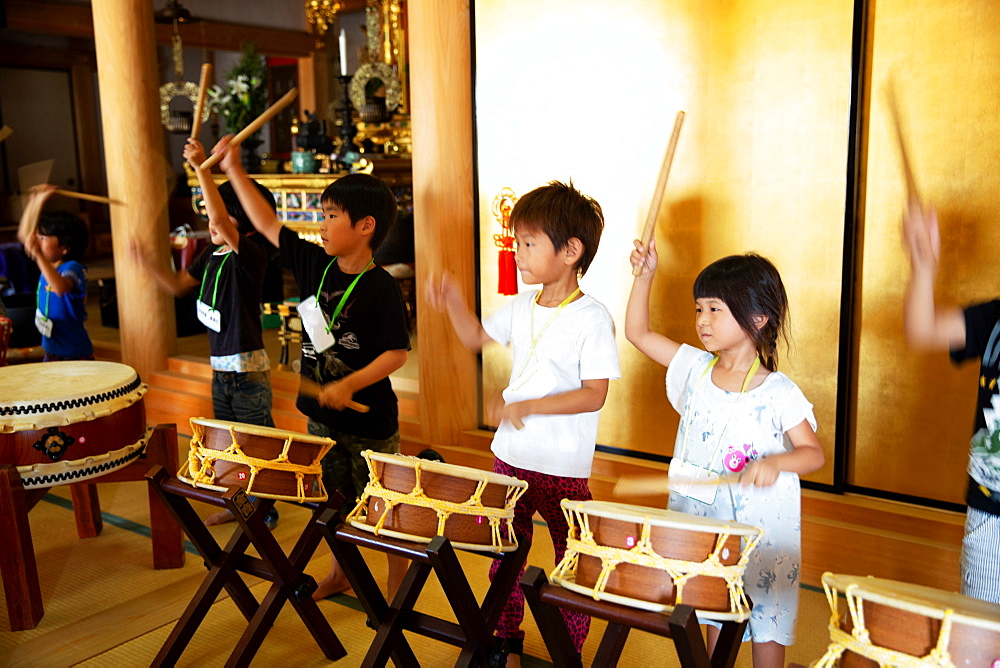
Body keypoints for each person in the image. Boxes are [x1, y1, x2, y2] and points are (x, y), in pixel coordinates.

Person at [427, 181, 621, 666]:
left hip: (563, 467)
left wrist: (527, 407)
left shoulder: (593, 318)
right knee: (504, 556)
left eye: (529, 243)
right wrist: (451, 299)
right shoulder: (520, 306)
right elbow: (474, 336)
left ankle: (567, 651)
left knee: (575, 560)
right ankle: (506, 643)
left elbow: (595, 395)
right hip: (509, 458)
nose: (518, 252)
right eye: (517, 241)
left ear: (571, 251)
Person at [216, 135, 411, 601]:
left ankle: (397, 590)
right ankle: (343, 572)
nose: (319, 225)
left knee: (385, 511)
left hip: (370, 424)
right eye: (320, 215)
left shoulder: (380, 287)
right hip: (320, 418)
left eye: (329, 217)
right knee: (330, 507)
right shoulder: (313, 264)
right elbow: (265, 222)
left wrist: (351, 384)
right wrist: (234, 167)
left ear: (365, 226)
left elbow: (396, 353)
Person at [625, 241, 824, 667]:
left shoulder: (779, 392)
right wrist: (644, 276)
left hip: (762, 532)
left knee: (766, 618)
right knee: (711, 612)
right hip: (705, 525)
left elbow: (812, 454)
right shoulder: (695, 368)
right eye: (700, 309)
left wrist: (775, 463)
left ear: (757, 318)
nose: (702, 320)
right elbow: (637, 334)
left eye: (716, 309)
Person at [131, 138, 278, 528]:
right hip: (220, 369)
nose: (212, 222)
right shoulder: (209, 255)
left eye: (224, 217)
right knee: (229, 444)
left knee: (254, 444)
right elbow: (179, 285)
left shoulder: (251, 253)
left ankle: (265, 509)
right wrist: (147, 262)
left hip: (246, 372)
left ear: (245, 224)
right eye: (212, 216)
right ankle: (242, 505)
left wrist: (202, 169)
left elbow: (223, 220)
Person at [902, 197, 1000, 605]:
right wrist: (923, 266)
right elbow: (922, 329)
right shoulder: (995, 318)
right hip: (990, 513)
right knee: (979, 636)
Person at [17, 185, 93, 361]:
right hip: (52, 349)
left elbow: (60, 287)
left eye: (43, 238)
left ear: (65, 247)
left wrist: (38, 256)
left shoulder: (73, 267)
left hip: (74, 353)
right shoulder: (49, 266)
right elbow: (25, 235)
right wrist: (36, 202)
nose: (37, 242)